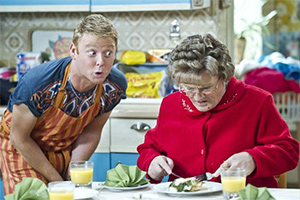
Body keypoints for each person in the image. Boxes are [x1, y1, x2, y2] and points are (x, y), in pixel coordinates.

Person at [137, 33, 299, 187]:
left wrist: (253, 159)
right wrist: (152, 161)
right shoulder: (171, 104)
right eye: (188, 88)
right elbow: (148, 148)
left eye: (206, 87)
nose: (197, 96)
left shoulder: (257, 101)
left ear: (224, 77)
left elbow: (289, 152)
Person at [0, 14, 127, 194]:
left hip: (62, 149)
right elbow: (19, 137)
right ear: (73, 51)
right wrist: (58, 181)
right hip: (22, 150)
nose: (101, 62)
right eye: (92, 52)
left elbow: (91, 132)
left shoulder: (114, 86)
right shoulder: (39, 83)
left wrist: (72, 176)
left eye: (108, 53)